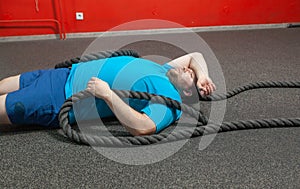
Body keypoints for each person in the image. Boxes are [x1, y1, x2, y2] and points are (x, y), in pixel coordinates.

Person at [0, 52, 216, 136]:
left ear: (186, 91)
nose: (189, 69)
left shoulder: (170, 98)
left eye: (190, 75)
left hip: (59, 98)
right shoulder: (165, 71)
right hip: (62, 75)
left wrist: (108, 95)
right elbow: (194, 56)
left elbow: (144, 127)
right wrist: (203, 76)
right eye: (191, 71)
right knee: (4, 84)